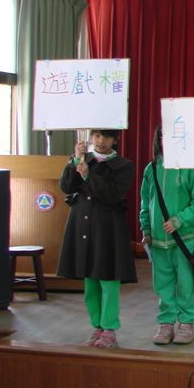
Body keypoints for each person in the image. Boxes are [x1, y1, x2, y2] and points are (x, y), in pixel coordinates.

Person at [58, 129, 137, 349]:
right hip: (83, 225)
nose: (101, 141)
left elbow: (112, 194)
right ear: (91, 137)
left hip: (107, 228)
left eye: (106, 137)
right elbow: (66, 186)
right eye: (97, 136)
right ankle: (97, 327)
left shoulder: (123, 165)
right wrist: (75, 161)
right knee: (90, 279)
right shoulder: (83, 160)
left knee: (108, 278)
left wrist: (88, 176)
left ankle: (110, 329)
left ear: (115, 139)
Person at [140, 126, 194, 346]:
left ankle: (186, 322)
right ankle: (166, 322)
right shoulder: (151, 169)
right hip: (157, 240)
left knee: (185, 283)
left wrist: (179, 220)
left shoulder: (191, 169)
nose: (168, 140)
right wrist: (146, 229)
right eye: (164, 136)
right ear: (158, 139)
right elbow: (145, 202)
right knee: (162, 284)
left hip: (183, 239)